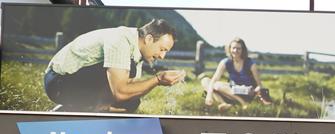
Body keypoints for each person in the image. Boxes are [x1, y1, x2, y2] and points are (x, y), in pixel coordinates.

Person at [44, 18, 184, 113]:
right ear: (148, 39)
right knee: (124, 91)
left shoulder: (136, 51)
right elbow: (120, 92)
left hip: (74, 81)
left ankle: (76, 109)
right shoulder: (120, 39)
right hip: (58, 82)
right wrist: (157, 80)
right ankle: (87, 108)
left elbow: (129, 92)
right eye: (162, 49)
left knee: (131, 103)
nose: (162, 56)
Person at [201, 37, 272, 112]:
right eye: (233, 48)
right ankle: (225, 104)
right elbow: (214, 79)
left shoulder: (250, 63)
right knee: (205, 81)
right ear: (230, 49)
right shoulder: (225, 62)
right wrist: (209, 95)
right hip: (232, 90)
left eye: (238, 48)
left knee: (217, 85)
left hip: (247, 92)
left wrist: (256, 90)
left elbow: (259, 85)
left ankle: (243, 103)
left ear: (243, 50)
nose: (235, 51)